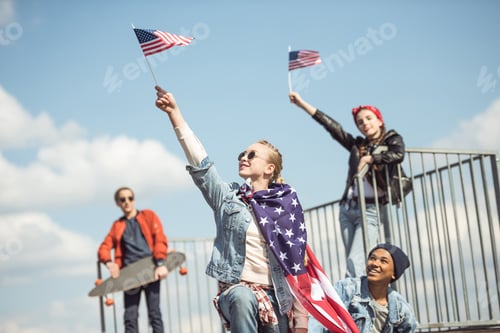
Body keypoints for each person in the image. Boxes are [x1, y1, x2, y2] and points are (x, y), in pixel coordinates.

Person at [154, 85, 308, 333]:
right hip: (236, 290)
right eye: (242, 153)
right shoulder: (229, 198)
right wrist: (174, 113)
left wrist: (301, 323)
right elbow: (201, 164)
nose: (243, 157)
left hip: (277, 299)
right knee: (243, 297)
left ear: (269, 169)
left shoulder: (285, 209)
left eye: (252, 154)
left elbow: (297, 266)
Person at [289, 92, 406, 278]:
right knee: (356, 262)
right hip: (348, 208)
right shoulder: (357, 145)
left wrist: (371, 158)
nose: (365, 123)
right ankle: (358, 298)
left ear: (379, 121)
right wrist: (302, 104)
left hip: (370, 210)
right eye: (360, 122)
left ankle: (352, 302)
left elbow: (398, 154)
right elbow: (332, 127)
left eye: (368, 118)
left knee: (356, 261)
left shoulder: (391, 139)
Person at [98, 187, 169, 333]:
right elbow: (104, 248)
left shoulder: (149, 216)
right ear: (117, 203)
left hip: (151, 270)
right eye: (122, 199)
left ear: (134, 199)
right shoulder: (117, 226)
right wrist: (109, 262)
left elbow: (159, 239)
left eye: (130, 198)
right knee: (130, 316)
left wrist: (161, 263)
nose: (127, 202)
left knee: (154, 313)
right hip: (129, 275)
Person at [309, 243, 417, 333]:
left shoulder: (401, 308)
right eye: (372, 258)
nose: (374, 263)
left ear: (394, 273)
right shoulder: (346, 289)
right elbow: (319, 317)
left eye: (383, 261)